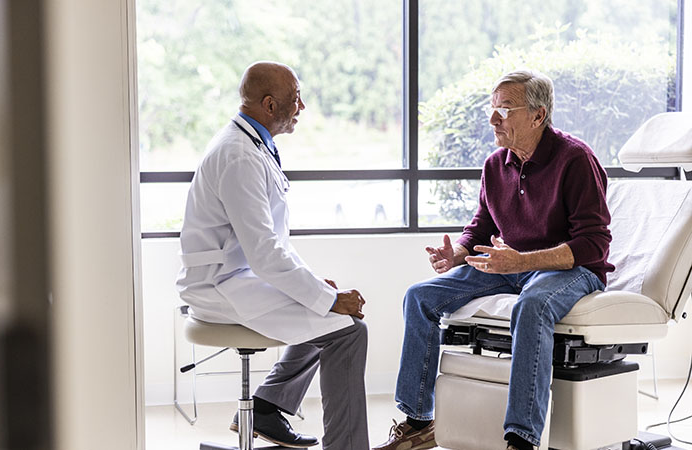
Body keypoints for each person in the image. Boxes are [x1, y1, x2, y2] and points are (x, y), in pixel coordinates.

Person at [373, 69, 614, 450]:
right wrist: (457, 253)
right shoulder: (495, 164)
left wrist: (522, 262)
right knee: (419, 297)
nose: (492, 119)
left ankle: (521, 438)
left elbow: (595, 243)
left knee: (532, 305)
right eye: (492, 108)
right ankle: (418, 422)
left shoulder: (575, 159)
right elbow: (482, 226)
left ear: (537, 115)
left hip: (572, 269)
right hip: (510, 266)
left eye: (504, 109)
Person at [176, 61, 370, 450]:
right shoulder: (239, 156)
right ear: (269, 104)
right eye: (295, 98)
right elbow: (265, 252)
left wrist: (316, 289)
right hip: (220, 286)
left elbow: (270, 243)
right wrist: (327, 297)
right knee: (348, 331)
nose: (302, 107)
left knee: (324, 311)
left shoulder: (252, 144)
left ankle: (266, 406)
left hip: (237, 276)